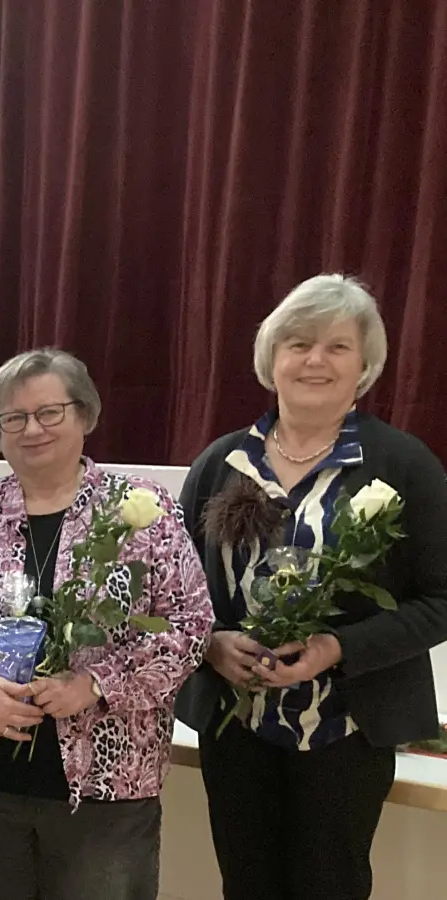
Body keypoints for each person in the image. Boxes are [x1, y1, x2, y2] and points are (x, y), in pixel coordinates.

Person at [174, 274, 447, 900]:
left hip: (347, 729)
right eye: (297, 343)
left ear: (366, 364)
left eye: (336, 346)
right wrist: (211, 643)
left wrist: (338, 647)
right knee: (246, 884)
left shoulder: (405, 465)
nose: (314, 359)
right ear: (271, 358)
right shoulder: (221, 463)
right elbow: (177, 592)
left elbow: (440, 600)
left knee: (331, 884)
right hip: (235, 726)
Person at [0, 348, 212, 900]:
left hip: (106, 786)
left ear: (86, 416)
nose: (32, 429)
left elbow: (189, 626)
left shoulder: (139, 511)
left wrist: (96, 686)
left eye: (50, 412)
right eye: (14, 418)